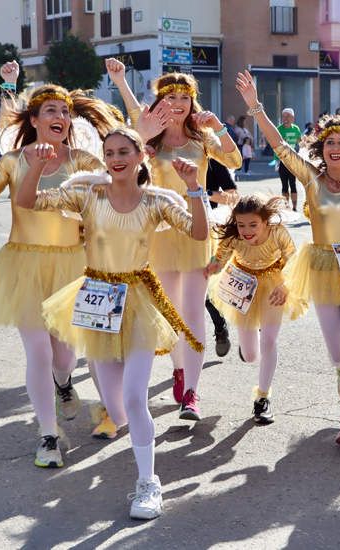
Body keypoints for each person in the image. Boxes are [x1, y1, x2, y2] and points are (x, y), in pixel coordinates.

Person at [16, 127, 209, 521]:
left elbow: (198, 231)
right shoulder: (88, 194)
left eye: (124, 151)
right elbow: (28, 201)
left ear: (140, 156)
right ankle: (118, 423)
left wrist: (194, 188)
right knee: (118, 409)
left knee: (137, 398)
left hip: (137, 298)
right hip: (97, 301)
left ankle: (148, 484)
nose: (116, 158)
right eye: (109, 152)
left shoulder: (154, 201)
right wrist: (35, 167)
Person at [0, 61, 125, 466]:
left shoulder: (83, 160)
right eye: (51, 111)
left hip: (73, 266)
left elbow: (111, 194)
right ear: (34, 119)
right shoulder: (15, 160)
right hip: (24, 263)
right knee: (38, 352)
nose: (61, 117)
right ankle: (48, 435)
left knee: (65, 357)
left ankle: (64, 384)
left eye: (65, 112)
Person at [237, 70, 340, 449]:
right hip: (323, 265)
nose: (336, 147)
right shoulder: (310, 178)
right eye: (330, 141)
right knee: (336, 350)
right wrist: (256, 107)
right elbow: (280, 146)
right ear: (321, 147)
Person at [106, 58, 242, 421]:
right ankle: (180, 373)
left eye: (185, 96)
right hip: (160, 234)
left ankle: (192, 394)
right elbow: (130, 134)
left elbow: (236, 160)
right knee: (171, 313)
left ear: (193, 100)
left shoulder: (202, 137)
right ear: (160, 101)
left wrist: (218, 126)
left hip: (196, 231)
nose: (178, 102)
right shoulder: (148, 135)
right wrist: (120, 82)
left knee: (194, 313)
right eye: (170, 96)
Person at [205, 195, 306, 423]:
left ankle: (262, 398)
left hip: (274, 284)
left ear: (264, 221)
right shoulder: (234, 237)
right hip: (243, 285)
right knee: (251, 356)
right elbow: (219, 258)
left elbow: (293, 259)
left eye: (253, 225)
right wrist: (212, 266)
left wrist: (286, 286)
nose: (246, 230)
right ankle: (249, 346)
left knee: (269, 341)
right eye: (241, 225)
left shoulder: (277, 232)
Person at [205, 157, 239, 356]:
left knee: (215, 283)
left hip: (211, 232)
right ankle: (220, 328)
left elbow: (232, 197)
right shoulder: (166, 153)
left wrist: (203, 194)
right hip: (175, 233)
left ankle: (249, 329)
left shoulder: (212, 159)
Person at [275, 108, 303, 211]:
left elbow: (300, 143)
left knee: (293, 183)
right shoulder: (278, 129)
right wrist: (276, 161)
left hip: (293, 161)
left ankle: (295, 207)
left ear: (292, 118)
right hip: (282, 161)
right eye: (284, 116)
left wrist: (300, 155)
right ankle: (286, 206)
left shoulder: (296, 129)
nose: (285, 118)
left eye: (288, 116)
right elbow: (275, 146)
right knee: (284, 185)